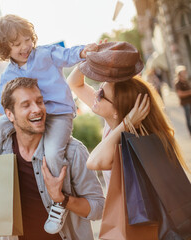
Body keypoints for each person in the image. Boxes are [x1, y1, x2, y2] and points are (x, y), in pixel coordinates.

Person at [0, 14, 98, 233]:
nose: (25, 46)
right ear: (4, 49)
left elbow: (67, 55)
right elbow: (2, 107)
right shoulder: (8, 74)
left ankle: (58, 204)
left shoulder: (46, 54)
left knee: (54, 153)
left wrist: (85, 51)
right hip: (30, 118)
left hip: (57, 115)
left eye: (27, 39)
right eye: (17, 44)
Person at [67, 41, 188, 238]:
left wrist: (125, 126)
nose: (95, 96)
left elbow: (93, 161)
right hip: (138, 221)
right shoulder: (111, 119)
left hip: (144, 225)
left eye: (101, 95)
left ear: (118, 111)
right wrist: (93, 57)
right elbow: (75, 83)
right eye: (98, 90)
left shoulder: (129, 141)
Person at [0, 77, 104, 240]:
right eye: (26, 105)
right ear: (9, 115)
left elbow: (99, 208)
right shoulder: (0, 153)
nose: (37, 109)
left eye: (40, 102)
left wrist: (62, 199)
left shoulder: (72, 152)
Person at [174, 65, 191, 136]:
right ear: (180, 74)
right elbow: (180, 94)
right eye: (183, 72)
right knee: (188, 118)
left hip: (189, 102)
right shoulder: (178, 83)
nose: (185, 73)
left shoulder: (186, 81)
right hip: (185, 103)